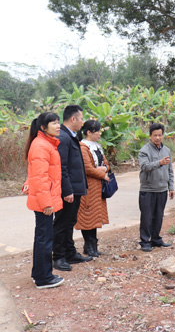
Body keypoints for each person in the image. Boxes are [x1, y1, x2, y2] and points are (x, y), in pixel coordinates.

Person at [24, 112, 65, 289]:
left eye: (58, 123)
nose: (58, 126)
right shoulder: (42, 146)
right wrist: (47, 203)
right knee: (45, 238)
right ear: (43, 127)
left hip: (44, 199)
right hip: (44, 202)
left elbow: (35, 173)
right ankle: (44, 278)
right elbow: (40, 178)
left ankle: (39, 273)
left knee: (43, 237)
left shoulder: (45, 143)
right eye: (54, 123)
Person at [54, 105, 92, 272]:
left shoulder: (71, 136)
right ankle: (58, 256)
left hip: (75, 188)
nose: (83, 122)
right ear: (73, 119)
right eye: (81, 118)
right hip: (68, 190)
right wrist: (67, 190)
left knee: (70, 222)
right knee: (62, 223)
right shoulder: (63, 137)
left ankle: (69, 252)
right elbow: (62, 167)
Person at [75, 120, 110, 257]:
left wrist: (104, 169)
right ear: (89, 132)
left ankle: (93, 246)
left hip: (97, 188)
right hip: (88, 187)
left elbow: (107, 164)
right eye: (98, 131)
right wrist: (103, 174)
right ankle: (89, 246)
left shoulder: (97, 146)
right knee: (87, 216)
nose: (100, 133)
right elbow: (88, 168)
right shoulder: (83, 147)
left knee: (95, 217)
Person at [138, 123, 174, 252]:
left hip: (162, 189)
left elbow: (170, 170)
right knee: (147, 217)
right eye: (155, 135)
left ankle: (156, 239)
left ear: (163, 135)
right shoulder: (144, 150)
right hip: (148, 189)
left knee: (159, 215)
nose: (158, 138)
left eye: (160, 135)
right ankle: (145, 241)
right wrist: (159, 163)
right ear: (150, 136)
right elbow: (144, 167)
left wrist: (171, 187)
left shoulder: (166, 150)